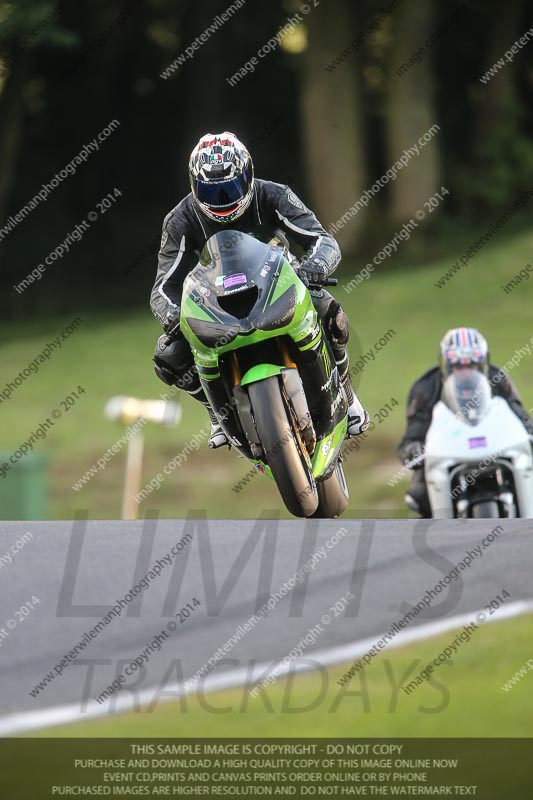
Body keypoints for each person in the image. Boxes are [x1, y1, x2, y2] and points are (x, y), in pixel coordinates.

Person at [150, 131, 369, 448]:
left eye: (230, 189)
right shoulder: (179, 220)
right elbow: (162, 286)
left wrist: (315, 267)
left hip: (279, 284)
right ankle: (216, 415)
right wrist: (173, 316)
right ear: (193, 186)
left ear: (248, 176)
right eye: (211, 192)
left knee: (330, 312)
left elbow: (323, 240)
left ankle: (347, 396)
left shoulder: (274, 194)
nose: (222, 201)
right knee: (168, 355)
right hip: (217, 303)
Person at [398, 327, 533, 517]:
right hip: (445, 454)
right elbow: (412, 436)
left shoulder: (498, 378)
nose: (465, 372)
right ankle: (440, 533)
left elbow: (520, 416)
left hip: (495, 449)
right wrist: (414, 450)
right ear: (445, 365)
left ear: (482, 364)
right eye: (457, 367)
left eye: (472, 366)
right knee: (419, 496)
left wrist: (529, 432)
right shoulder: (425, 388)